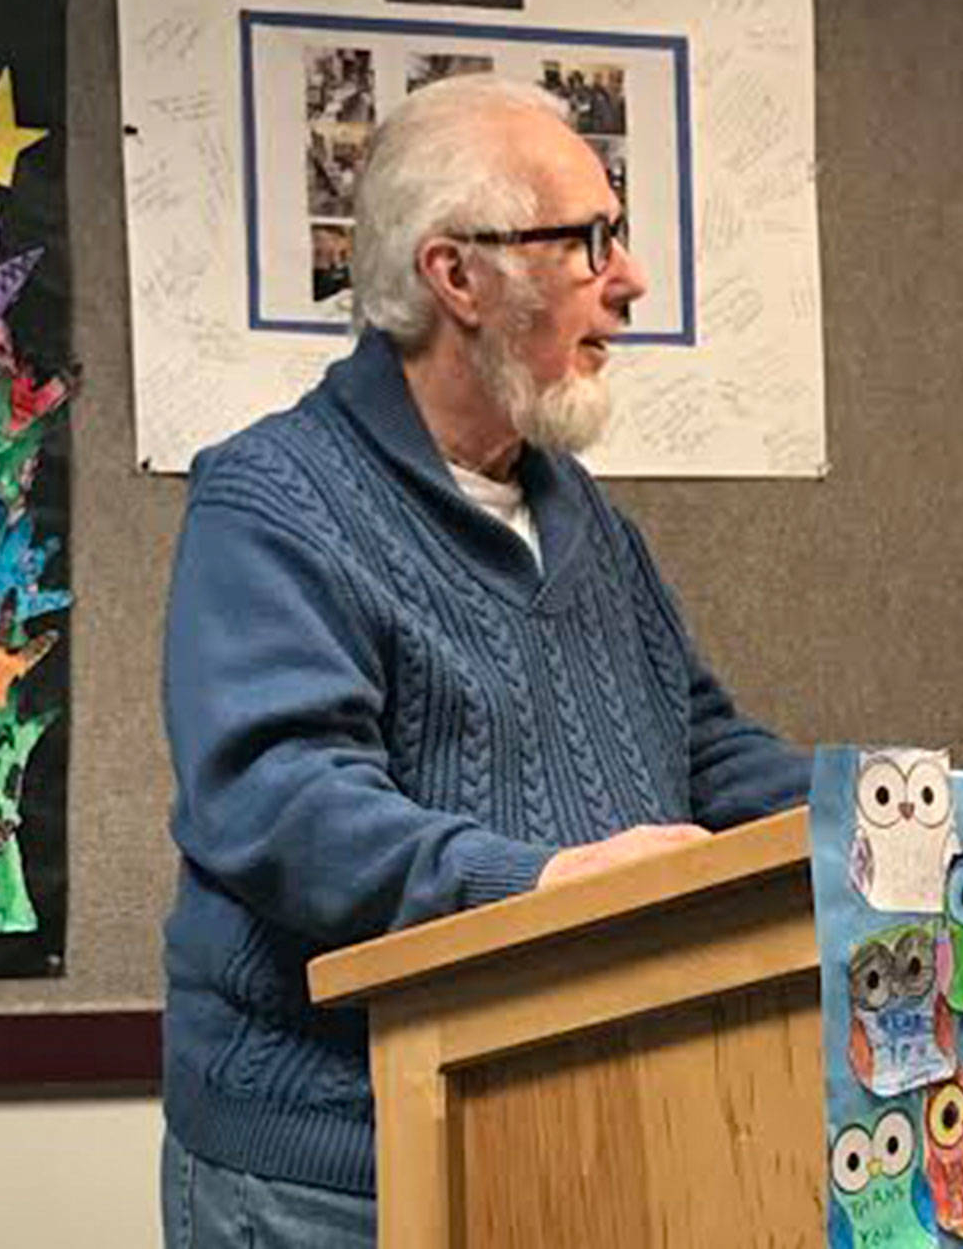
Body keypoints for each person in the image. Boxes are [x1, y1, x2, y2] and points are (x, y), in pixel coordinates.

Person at [157, 74, 809, 1248]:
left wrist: (915, 813)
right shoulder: (271, 500)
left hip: (570, 1122)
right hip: (337, 1177)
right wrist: (544, 887)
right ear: (454, 276)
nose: (630, 280)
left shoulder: (580, 519)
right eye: (587, 241)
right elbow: (279, 805)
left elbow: (704, 754)